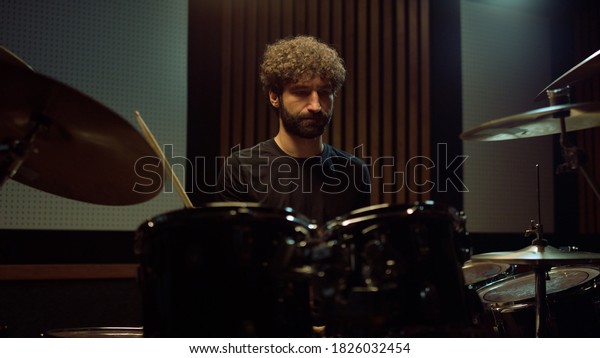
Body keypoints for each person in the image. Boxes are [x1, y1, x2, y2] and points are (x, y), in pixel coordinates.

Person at [217, 35, 371, 225]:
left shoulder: (354, 172)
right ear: (275, 97)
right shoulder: (241, 168)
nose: (315, 105)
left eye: (324, 92)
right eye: (301, 92)